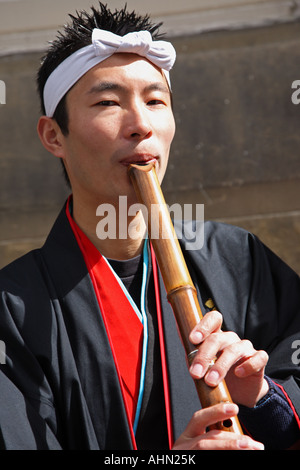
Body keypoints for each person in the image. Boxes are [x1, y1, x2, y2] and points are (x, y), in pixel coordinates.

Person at [0, 2, 299, 450]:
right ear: (53, 136)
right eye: (107, 102)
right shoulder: (12, 307)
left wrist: (260, 398)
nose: (141, 124)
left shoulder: (240, 258)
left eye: (156, 101)